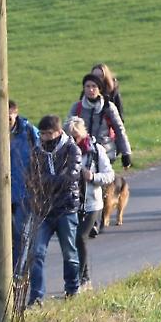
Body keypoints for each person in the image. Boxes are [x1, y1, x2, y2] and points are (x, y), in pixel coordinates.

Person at [25, 115, 82, 306]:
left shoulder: (71, 149)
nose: (45, 138)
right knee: (36, 253)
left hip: (66, 208)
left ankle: (72, 289)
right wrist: (52, 180)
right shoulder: (37, 151)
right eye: (42, 134)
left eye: (49, 133)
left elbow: (71, 178)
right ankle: (36, 297)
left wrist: (47, 181)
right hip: (43, 210)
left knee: (69, 252)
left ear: (58, 132)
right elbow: (32, 179)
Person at [64, 115, 115, 290]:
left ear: (83, 133)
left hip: (92, 203)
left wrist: (92, 177)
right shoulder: (64, 151)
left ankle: (84, 278)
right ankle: (77, 278)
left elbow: (110, 175)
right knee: (72, 241)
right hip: (71, 202)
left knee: (80, 237)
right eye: (69, 136)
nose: (73, 140)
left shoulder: (95, 150)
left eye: (75, 136)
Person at [69, 74, 132, 169]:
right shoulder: (77, 107)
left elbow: (120, 130)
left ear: (99, 89)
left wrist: (126, 153)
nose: (91, 90)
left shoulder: (109, 107)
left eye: (94, 86)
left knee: (104, 180)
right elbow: (67, 130)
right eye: (88, 86)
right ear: (83, 88)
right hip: (83, 154)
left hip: (106, 153)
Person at [8, 100, 40, 276]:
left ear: (16, 113)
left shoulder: (29, 132)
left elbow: (40, 157)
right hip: (1, 195)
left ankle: (17, 273)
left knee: (21, 235)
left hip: (24, 193)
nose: (6, 121)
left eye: (9, 117)